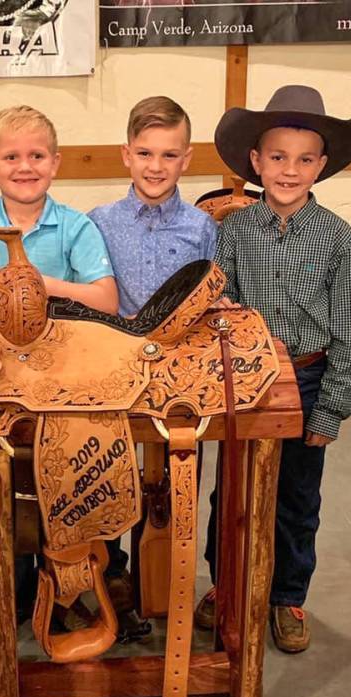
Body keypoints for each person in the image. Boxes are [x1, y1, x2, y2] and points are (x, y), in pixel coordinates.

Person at [195, 85, 351, 653]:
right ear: (255, 160)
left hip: (310, 377)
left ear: (321, 166)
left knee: (297, 496)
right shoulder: (235, 232)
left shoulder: (339, 239)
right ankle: (225, 584)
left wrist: (332, 408)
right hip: (246, 379)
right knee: (232, 493)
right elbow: (224, 309)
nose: (288, 170)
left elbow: (350, 331)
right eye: (277, 157)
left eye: (303, 159)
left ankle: (287, 596)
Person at [0, 104, 118, 625]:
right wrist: (6, 296)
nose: (25, 166)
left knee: (77, 461)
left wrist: (41, 287)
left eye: (37, 155)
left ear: (56, 162)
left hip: (62, 367)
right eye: (12, 156)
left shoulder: (76, 227)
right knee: (5, 473)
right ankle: (13, 573)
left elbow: (105, 300)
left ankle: (77, 565)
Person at [88, 96, 217, 638]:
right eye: (145, 153)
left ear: (186, 158)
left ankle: (168, 570)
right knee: (108, 468)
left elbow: (208, 299)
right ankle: (110, 568)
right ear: (126, 154)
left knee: (174, 480)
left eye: (169, 154)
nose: (156, 166)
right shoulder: (98, 222)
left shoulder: (202, 227)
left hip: (178, 375)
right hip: (115, 369)